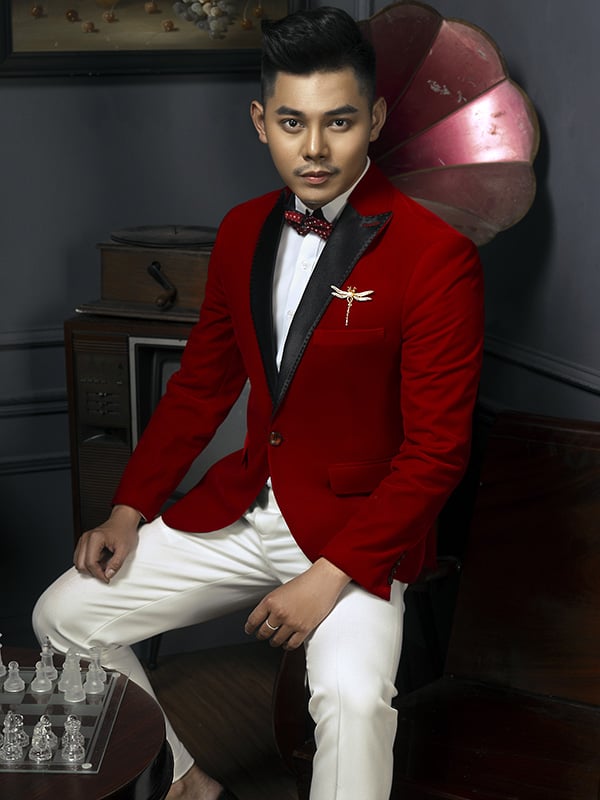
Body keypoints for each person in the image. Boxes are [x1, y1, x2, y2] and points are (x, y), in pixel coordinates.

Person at [33, 7, 484, 800]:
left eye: (339, 121)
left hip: (354, 537)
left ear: (375, 118)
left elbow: (436, 452)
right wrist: (129, 509)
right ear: (260, 121)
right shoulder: (242, 230)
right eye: (292, 122)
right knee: (64, 618)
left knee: (352, 699)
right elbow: (201, 388)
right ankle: (183, 784)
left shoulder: (437, 256)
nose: (314, 149)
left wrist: (329, 576)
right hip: (243, 511)